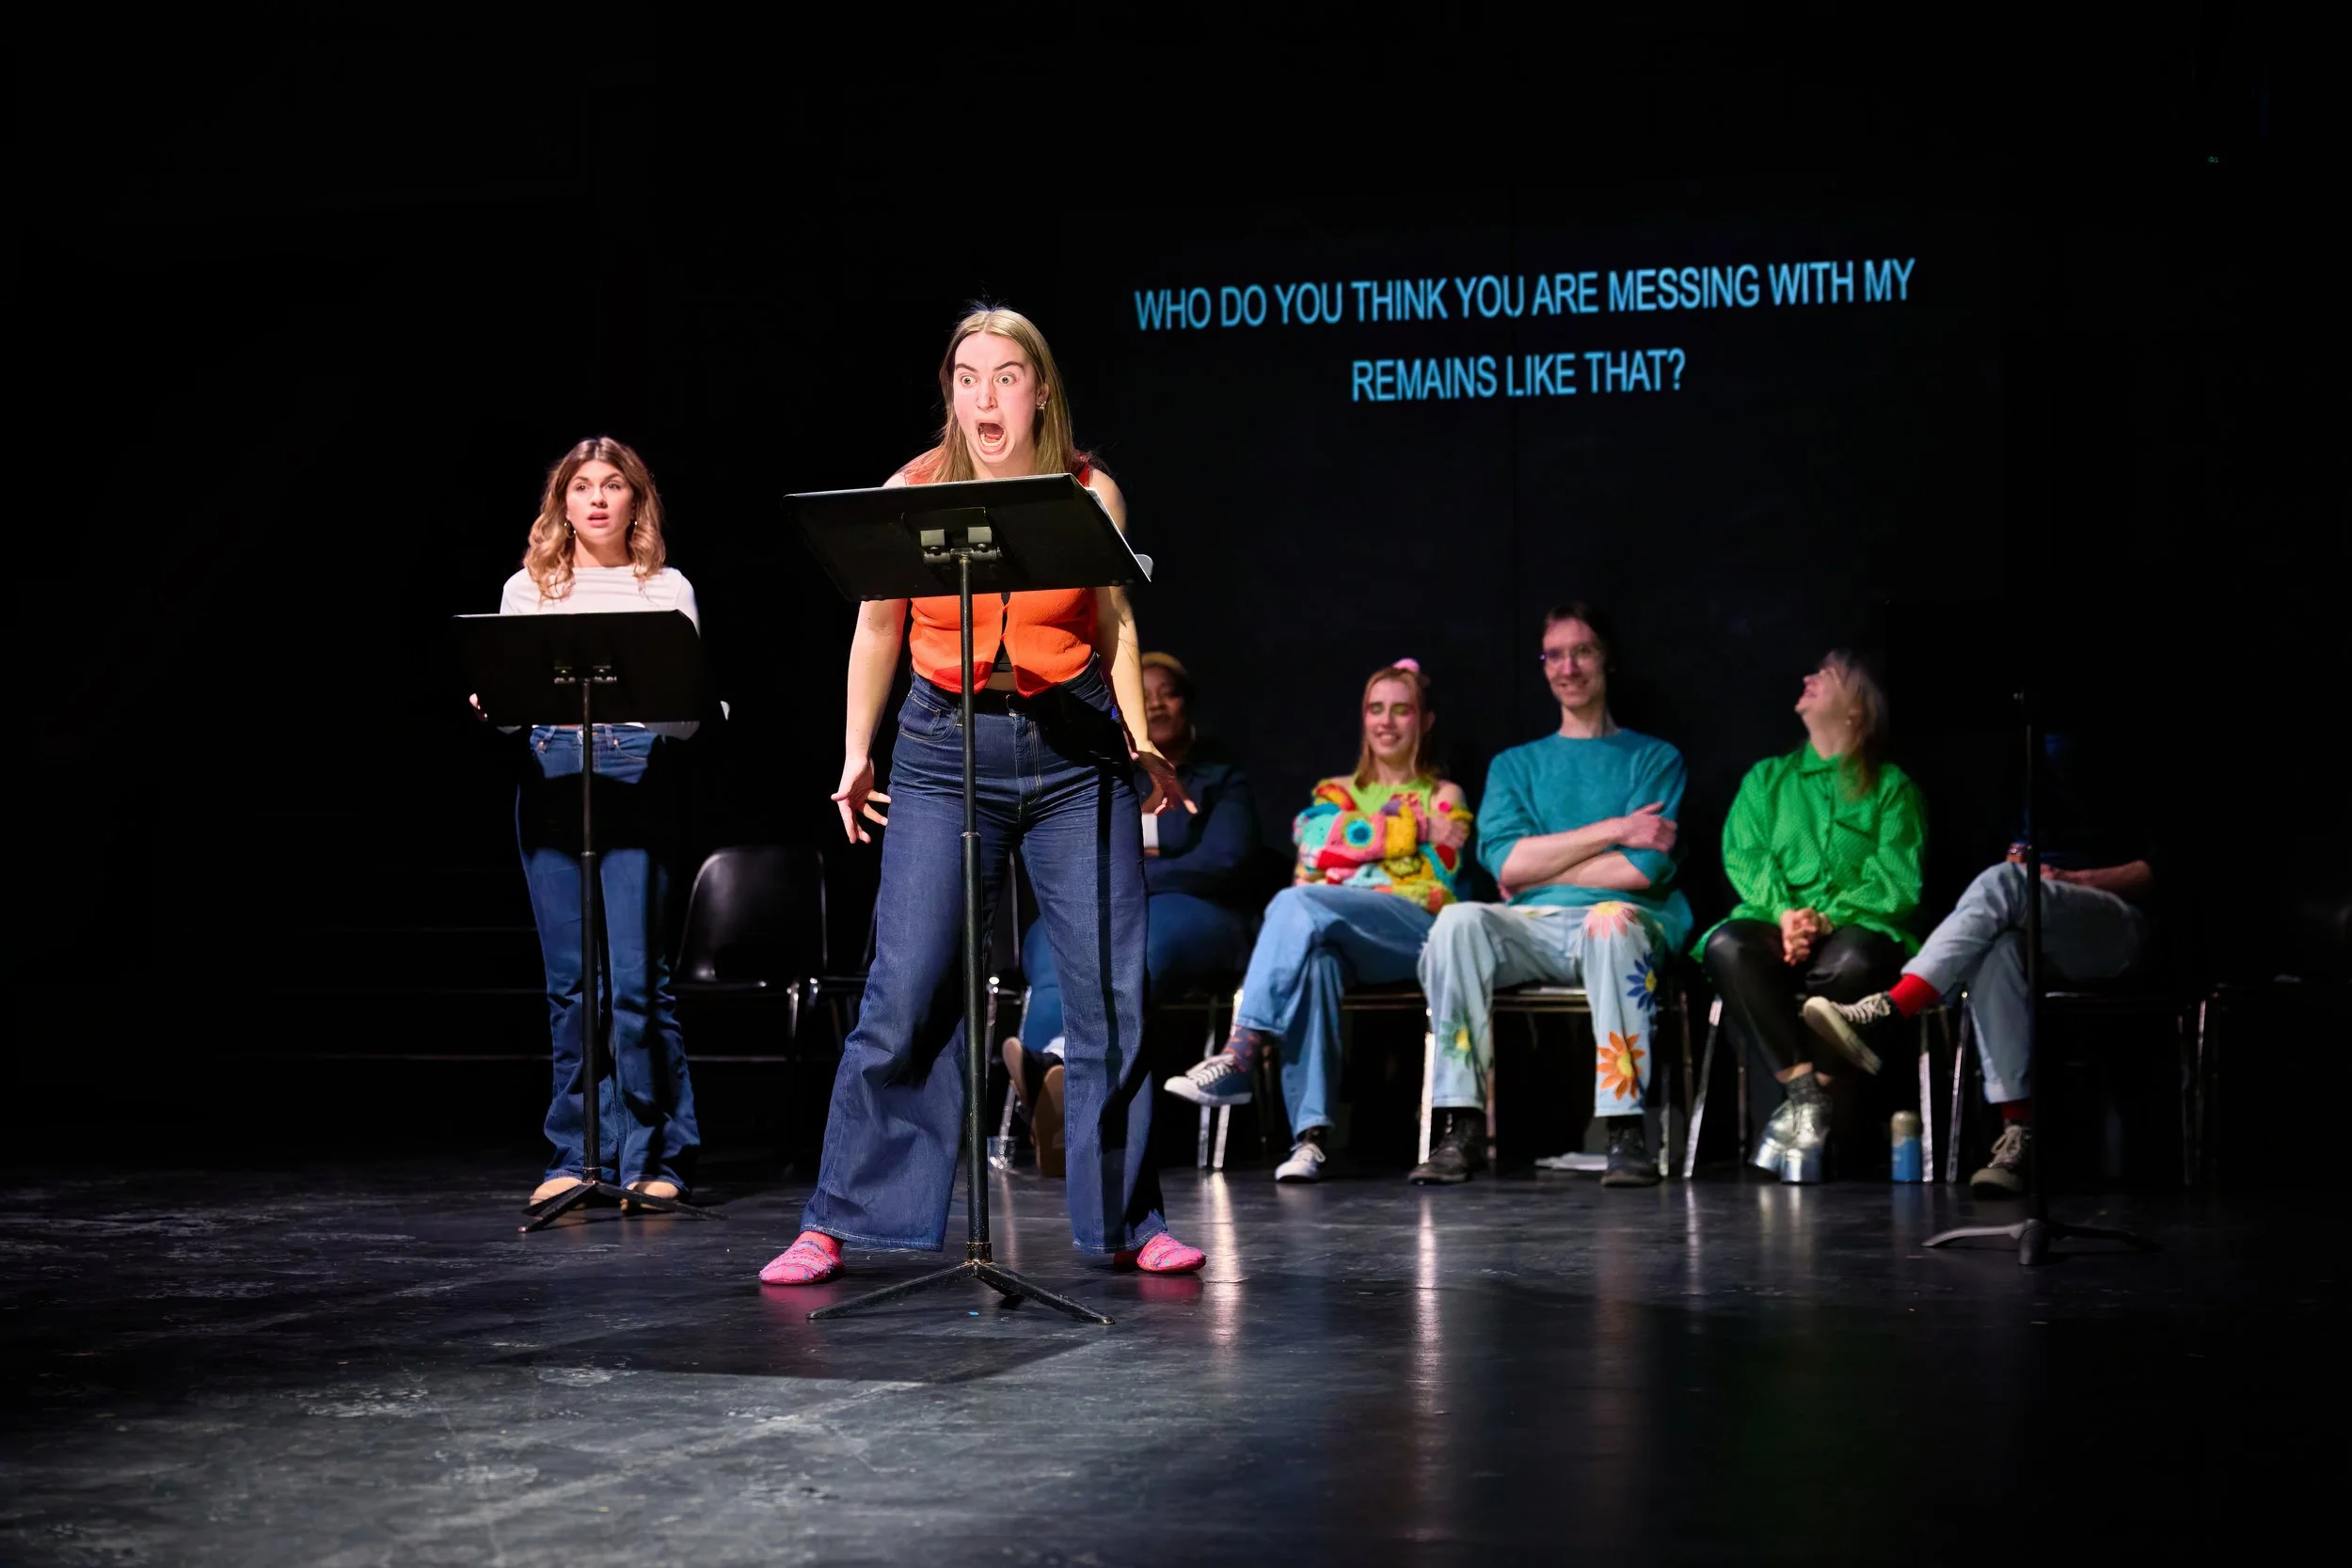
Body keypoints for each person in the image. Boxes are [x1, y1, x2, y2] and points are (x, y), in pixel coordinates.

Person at [760, 306, 1206, 1287]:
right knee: (908, 980)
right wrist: (855, 751)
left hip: (1070, 751)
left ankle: (1126, 1221)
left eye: (1005, 376)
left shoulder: (1090, 491)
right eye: (966, 376)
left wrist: (1138, 741)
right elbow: (878, 627)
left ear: (1039, 389)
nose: (983, 395)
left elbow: (1116, 622)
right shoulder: (913, 488)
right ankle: (840, 1218)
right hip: (937, 747)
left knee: (1106, 990)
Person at [483, 436, 702, 1214]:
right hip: (552, 775)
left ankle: (655, 1154)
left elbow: (682, 724)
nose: (599, 498)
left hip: (634, 771)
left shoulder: (665, 587)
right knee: (573, 988)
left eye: (615, 485)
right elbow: (511, 720)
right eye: (583, 487)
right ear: (563, 503)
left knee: (638, 985)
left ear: (636, 501)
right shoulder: (528, 588)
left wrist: (680, 695)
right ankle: (576, 1153)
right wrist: (496, 702)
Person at [1804, 731, 2158, 1196]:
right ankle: (2019, 1135)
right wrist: (2023, 862)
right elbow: (2015, 848)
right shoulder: (2028, 755)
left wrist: (2073, 879)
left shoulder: (2140, 753)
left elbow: (2164, 869)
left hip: (2119, 925)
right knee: (1997, 944)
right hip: (2042, 923)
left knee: (2003, 885)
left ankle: (1892, 1010)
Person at [1413, 603, 1691, 1188]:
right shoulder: (1516, 766)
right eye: (1554, 655)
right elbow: (1505, 862)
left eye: (1581, 651)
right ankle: (1459, 1128)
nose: (1568, 666)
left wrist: (1544, 864)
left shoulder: (1653, 758)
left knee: (1612, 919)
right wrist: (1613, 831)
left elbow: (1644, 870)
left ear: (1605, 658)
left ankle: (1624, 1132)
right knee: (1458, 921)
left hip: (1625, 924)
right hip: (1532, 926)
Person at [1163, 661, 1472, 1182]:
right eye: (1376, 709)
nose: (1387, 721)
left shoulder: (1445, 796)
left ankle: (1241, 1051)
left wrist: (1350, 855)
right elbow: (1312, 850)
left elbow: (1436, 877)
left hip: (1416, 933)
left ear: (1424, 720)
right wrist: (1408, 834)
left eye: (1402, 709)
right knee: (1315, 962)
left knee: (1295, 905)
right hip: (1345, 940)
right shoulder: (1334, 791)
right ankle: (1310, 1139)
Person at [1003, 651, 1257, 1177]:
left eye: (1169, 692)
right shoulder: (1097, 777)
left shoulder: (1219, 779)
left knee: (1140, 939)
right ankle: (1058, 1088)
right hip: (1101, 906)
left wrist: (1126, 879)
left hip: (1199, 918)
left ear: (1188, 705)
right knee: (1054, 940)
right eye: (1144, 694)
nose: (1158, 704)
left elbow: (1224, 861)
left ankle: (1058, 1075)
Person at [1698, 651, 1926, 1182]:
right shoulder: (1767, 780)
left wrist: (1824, 920)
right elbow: (1746, 855)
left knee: (1854, 962)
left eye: (1825, 676)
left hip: (1854, 928)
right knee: (1727, 946)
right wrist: (1785, 915)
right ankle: (1808, 1096)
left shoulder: (1892, 789)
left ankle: (1802, 1108)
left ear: (1855, 711)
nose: (1807, 679)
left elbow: (1897, 884)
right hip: (1774, 923)